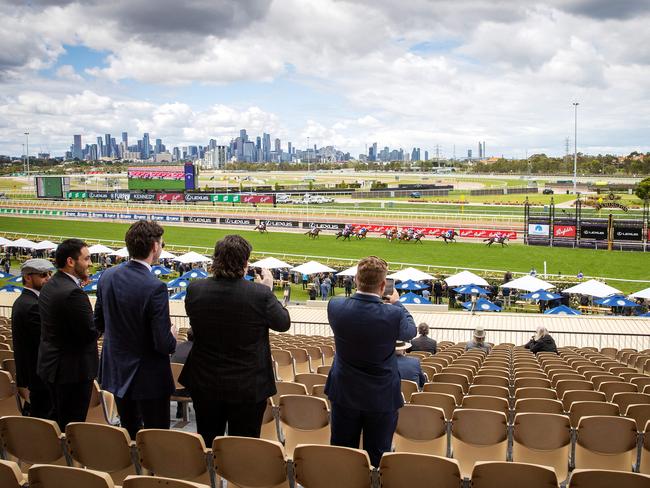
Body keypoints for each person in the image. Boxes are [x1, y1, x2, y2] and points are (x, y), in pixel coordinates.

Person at [179, 235, 291, 445]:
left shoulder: (196, 289)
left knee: (209, 444)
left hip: (206, 382)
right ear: (245, 263)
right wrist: (268, 290)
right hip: (247, 386)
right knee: (244, 449)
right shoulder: (260, 294)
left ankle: (210, 478)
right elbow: (283, 323)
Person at [325, 255, 416, 467]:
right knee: (377, 456)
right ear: (383, 285)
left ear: (356, 279)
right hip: (380, 396)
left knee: (342, 453)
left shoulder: (336, 306)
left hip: (344, 391)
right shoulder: (392, 313)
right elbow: (409, 331)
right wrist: (398, 303)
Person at [95, 220, 177, 438]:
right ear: (155, 247)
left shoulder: (107, 276)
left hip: (117, 371)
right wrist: (173, 337)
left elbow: (99, 323)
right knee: (157, 437)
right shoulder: (155, 287)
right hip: (148, 377)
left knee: (129, 433)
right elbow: (163, 343)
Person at [38, 239, 98, 430]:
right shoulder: (73, 293)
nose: (89, 263)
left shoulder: (51, 284)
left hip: (52, 365)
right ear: (71, 261)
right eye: (86, 259)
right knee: (72, 426)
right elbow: (90, 333)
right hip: (72, 372)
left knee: (58, 420)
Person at [11, 259, 55, 418]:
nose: (48, 278)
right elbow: (46, 342)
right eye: (43, 275)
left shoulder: (24, 301)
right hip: (39, 380)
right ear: (28, 278)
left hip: (32, 378)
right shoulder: (32, 305)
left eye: (50, 274)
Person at [171, 328, 194, 419]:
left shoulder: (177, 347)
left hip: (173, 389)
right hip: (189, 391)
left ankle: (180, 409)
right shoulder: (197, 351)